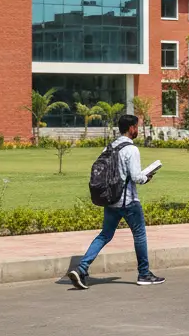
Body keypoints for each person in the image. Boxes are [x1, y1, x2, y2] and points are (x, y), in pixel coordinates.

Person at [67, 115, 165, 289]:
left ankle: (82, 268)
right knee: (140, 235)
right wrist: (147, 177)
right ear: (132, 128)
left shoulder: (110, 146)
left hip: (111, 199)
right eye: (137, 127)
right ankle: (144, 274)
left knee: (104, 235)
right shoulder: (131, 150)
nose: (138, 130)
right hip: (128, 202)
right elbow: (136, 177)